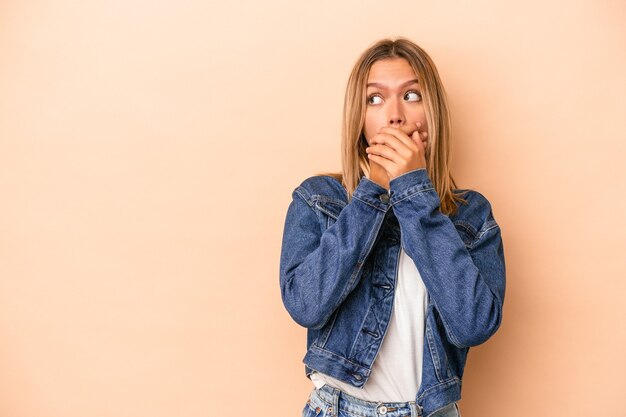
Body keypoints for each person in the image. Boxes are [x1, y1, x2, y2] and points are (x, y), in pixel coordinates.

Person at [279, 37, 506, 417]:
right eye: (375, 99)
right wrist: (373, 191)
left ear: (433, 114)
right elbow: (306, 306)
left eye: (412, 95)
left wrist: (414, 193)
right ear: (359, 117)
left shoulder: (471, 215)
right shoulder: (318, 198)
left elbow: (473, 325)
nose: (395, 115)